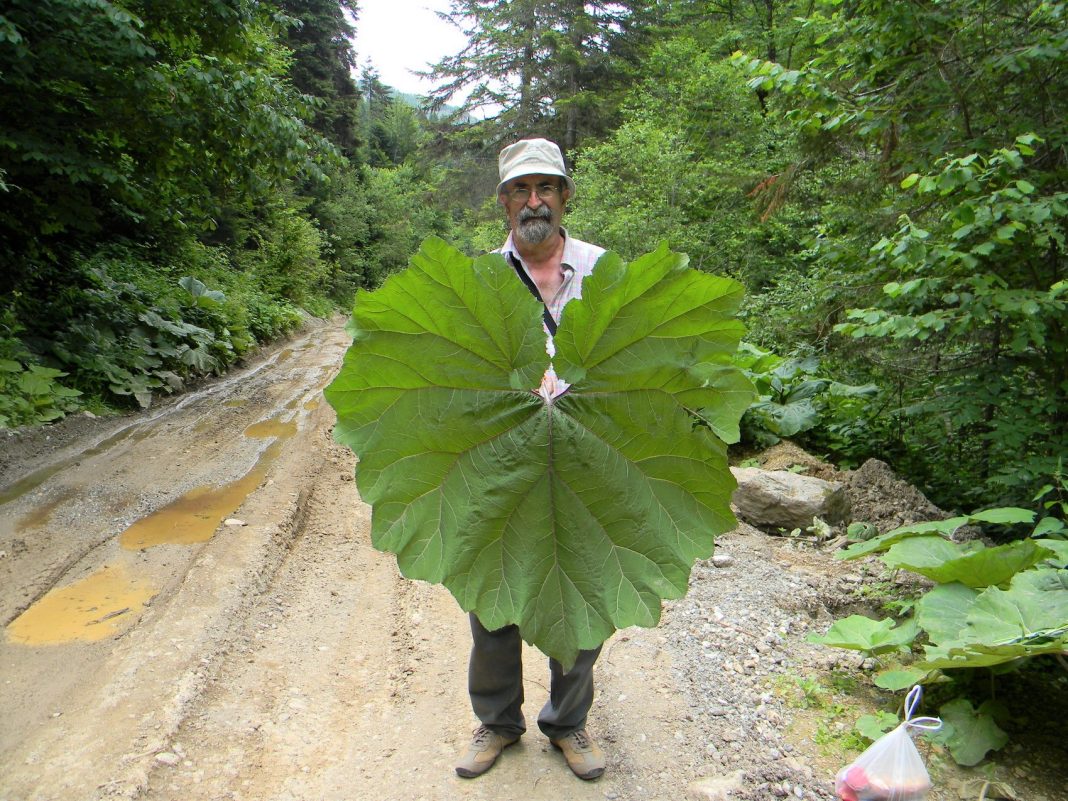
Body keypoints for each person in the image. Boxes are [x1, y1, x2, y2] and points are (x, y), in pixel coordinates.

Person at [454, 138, 608, 782]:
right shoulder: (479, 279)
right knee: (492, 594)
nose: (534, 200)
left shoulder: (603, 271)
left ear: (566, 197)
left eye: (546, 187)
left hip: (584, 455)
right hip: (503, 457)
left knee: (580, 592)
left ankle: (568, 724)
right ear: (503, 203)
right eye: (521, 189)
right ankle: (497, 722)